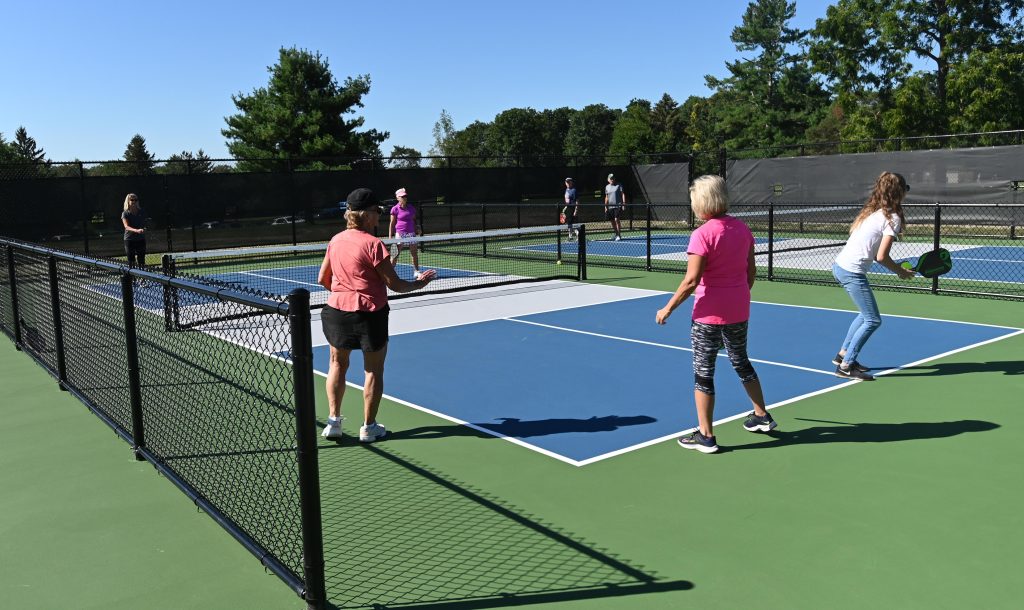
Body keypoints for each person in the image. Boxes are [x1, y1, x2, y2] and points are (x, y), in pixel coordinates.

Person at [655, 175, 774, 454]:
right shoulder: (742, 229)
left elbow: (691, 281)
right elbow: (751, 273)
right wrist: (736, 297)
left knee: (703, 372)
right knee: (741, 360)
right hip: (739, 309)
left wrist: (667, 308)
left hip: (708, 315)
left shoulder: (702, 235)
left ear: (702, 202)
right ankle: (761, 416)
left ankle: (706, 436)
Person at [318, 188, 437, 443]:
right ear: (366, 215)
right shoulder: (374, 245)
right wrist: (420, 284)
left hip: (337, 312)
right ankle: (369, 428)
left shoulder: (335, 240)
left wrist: (344, 294)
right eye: (377, 211)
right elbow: (396, 285)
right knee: (373, 370)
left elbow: (322, 279)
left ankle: (334, 423)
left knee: (337, 365)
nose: (380, 216)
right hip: (370, 315)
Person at [832, 171, 916, 381]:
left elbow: (877, 253)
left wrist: (899, 269)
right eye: (905, 189)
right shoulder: (892, 217)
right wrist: (901, 272)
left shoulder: (873, 212)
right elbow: (881, 256)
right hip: (851, 271)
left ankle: (842, 354)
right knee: (873, 320)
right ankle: (846, 366)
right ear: (899, 193)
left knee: (864, 315)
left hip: (841, 266)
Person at [388, 187, 424, 280]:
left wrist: (417, 228)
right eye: (402, 196)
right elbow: (392, 224)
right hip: (400, 234)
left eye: (405, 196)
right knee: (395, 254)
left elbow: (414, 220)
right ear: (397, 198)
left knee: (414, 253)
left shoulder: (411, 208)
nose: (404, 198)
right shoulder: (395, 209)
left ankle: (416, 271)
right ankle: (389, 274)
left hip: (411, 233)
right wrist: (390, 237)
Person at [121, 193, 146, 267]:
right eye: (132, 200)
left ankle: (142, 274)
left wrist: (144, 229)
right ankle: (132, 274)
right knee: (131, 261)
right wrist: (137, 230)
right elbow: (126, 227)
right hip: (129, 240)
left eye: (136, 200)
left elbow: (145, 223)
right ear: (128, 201)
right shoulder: (125, 213)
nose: (134, 201)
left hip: (140, 239)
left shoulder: (141, 212)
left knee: (141, 261)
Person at [604, 173, 626, 241]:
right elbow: (606, 197)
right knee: (612, 221)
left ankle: (619, 235)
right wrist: (605, 206)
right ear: (608, 180)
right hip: (610, 207)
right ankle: (616, 234)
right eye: (611, 179)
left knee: (616, 219)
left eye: (613, 178)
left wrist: (624, 203)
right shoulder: (607, 187)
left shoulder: (619, 185)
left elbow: (622, 194)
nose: (612, 180)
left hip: (618, 205)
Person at [563, 177, 578, 241]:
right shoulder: (566, 190)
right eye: (567, 182)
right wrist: (565, 207)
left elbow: (577, 201)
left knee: (573, 224)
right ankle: (570, 236)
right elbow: (567, 200)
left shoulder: (574, 190)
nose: (568, 183)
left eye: (569, 182)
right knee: (569, 223)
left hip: (572, 208)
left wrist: (576, 210)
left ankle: (579, 235)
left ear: (571, 182)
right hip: (568, 208)